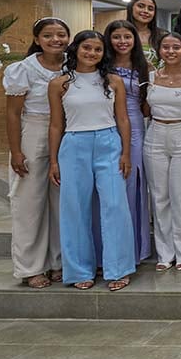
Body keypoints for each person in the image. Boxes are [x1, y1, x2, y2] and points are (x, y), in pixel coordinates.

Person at [47, 31, 136, 292]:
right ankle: (79, 270)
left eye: (98, 49)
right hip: (74, 144)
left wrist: (126, 153)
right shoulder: (60, 84)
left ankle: (118, 268)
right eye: (87, 48)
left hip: (109, 142)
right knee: (74, 208)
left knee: (115, 205)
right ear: (76, 49)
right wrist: (53, 161)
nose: (92, 53)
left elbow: (123, 119)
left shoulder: (113, 81)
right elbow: (56, 125)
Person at [3, 17, 70, 288]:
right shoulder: (23, 69)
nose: (56, 40)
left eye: (61, 34)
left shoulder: (73, 64)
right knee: (29, 202)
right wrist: (16, 151)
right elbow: (12, 113)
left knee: (62, 202)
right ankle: (30, 267)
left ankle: (58, 261)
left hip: (68, 132)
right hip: (34, 131)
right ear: (37, 39)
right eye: (48, 35)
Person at [145, 33, 181, 272]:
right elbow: (145, 109)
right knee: (159, 196)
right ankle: (164, 253)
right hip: (155, 134)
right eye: (166, 47)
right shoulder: (150, 77)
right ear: (159, 50)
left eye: (176, 47)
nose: (171, 51)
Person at [104, 20, 152, 264]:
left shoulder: (144, 67)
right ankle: (106, 248)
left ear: (135, 40)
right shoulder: (102, 66)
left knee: (130, 182)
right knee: (106, 185)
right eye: (117, 37)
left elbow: (147, 104)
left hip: (134, 127)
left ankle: (132, 249)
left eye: (127, 37)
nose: (122, 42)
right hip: (104, 123)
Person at [126, 0, 164, 66]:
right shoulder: (121, 34)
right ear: (131, 8)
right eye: (140, 6)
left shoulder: (162, 35)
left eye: (150, 9)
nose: (146, 11)